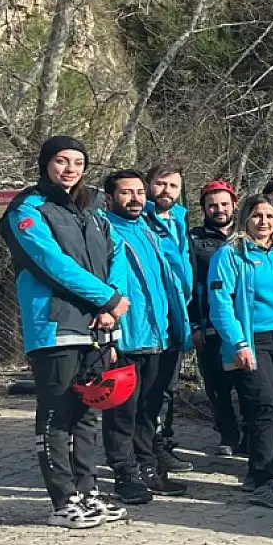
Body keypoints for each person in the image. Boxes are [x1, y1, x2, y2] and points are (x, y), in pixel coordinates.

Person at [0, 136, 133, 528]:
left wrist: (112, 304)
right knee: (57, 415)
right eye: (61, 160)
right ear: (46, 164)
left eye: (78, 161)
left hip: (96, 326)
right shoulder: (29, 209)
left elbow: (116, 255)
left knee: (88, 412)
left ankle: (88, 492)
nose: (70, 168)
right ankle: (63, 500)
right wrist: (105, 298)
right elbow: (51, 263)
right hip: (55, 326)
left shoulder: (92, 212)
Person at [207, 194, 273, 509]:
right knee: (265, 405)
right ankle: (264, 478)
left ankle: (261, 471)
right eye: (257, 216)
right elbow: (221, 302)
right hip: (252, 340)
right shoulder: (230, 254)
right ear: (245, 219)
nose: (263, 222)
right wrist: (237, 343)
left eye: (269, 216)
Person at [100, 170, 192, 503]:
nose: (136, 198)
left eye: (139, 192)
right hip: (126, 336)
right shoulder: (103, 229)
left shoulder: (152, 230)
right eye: (126, 193)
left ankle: (148, 467)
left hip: (160, 334)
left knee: (148, 410)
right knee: (122, 411)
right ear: (110, 198)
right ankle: (124, 474)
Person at [142, 164, 194, 474]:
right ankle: (147, 451)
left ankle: (162, 444)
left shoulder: (178, 220)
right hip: (151, 317)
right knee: (149, 389)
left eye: (174, 185)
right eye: (161, 184)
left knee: (167, 387)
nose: (167, 191)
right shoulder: (141, 220)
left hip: (177, 313)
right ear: (149, 185)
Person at [189, 180, 243, 456]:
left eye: (224, 203)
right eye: (212, 205)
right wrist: (195, 324)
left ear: (234, 203)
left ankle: (249, 436)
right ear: (204, 208)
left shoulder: (248, 235)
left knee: (248, 384)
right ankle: (228, 435)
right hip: (209, 325)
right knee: (217, 385)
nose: (219, 209)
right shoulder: (194, 240)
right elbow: (189, 285)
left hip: (245, 325)